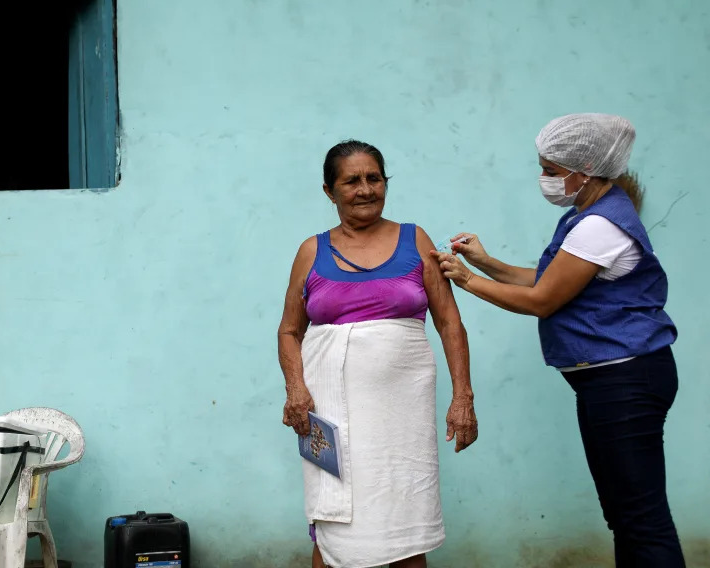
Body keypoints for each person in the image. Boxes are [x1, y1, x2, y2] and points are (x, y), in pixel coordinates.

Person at [433, 114, 685, 567]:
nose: (544, 179)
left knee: (641, 518)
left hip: (625, 380)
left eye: (551, 171)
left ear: (583, 171)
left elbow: (543, 300)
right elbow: (549, 280)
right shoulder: (588, 214)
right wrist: (486, 262)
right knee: (624, 515)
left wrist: (467, 281)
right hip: (607, 381)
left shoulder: (600, 226)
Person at [277, 140, 478, 568]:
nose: (366, 189)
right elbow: (290, 330)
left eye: (375, 178)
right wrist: (296, 389)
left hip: (402, 415)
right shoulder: (312, 251)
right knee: (334, 516)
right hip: (325, 409)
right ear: (329, 192)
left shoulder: (414, 239)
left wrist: (463, 397)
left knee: (404, 513)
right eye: (352, 181)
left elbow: (448, 322)